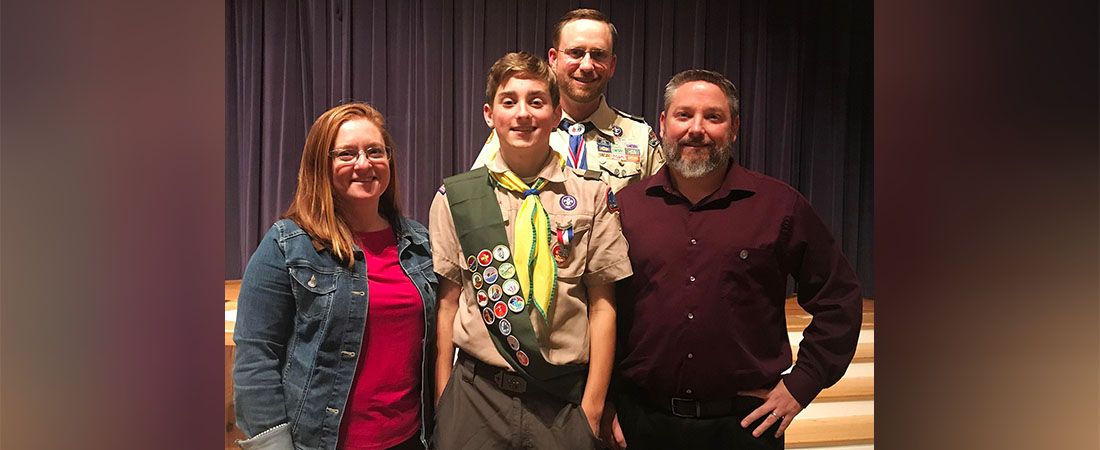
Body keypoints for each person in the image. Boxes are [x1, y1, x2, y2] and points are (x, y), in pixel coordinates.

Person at [604, 69, 863, 450]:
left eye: (713, 117)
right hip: (641, 424)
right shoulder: (625, 208)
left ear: (735, 127)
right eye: (683, 115)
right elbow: (603, 313)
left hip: (745, 429)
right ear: (662, 123)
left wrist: (801, 383)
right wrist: (605, 400)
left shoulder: (779, 206)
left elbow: (839, 299)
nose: (697, 129)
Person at [429, 52, 632, 449]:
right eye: (509, 101)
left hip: (562, 400)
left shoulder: (592, 198)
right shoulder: (457, 197)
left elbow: (603, 306)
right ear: (490, 114)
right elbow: (448, 305)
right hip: (476, 397)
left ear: (557, 114)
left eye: (536, 101)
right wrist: (443, 399)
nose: (523, 113)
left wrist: (592, 408)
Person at [232, 103, 438, 450]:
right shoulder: (286, 245)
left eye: (375, 151)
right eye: (346, 153)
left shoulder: (419, 243)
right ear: (322, 166)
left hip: (409, 441)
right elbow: (256, 360)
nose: (364, 164)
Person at [471, 8, 664, 192]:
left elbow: (660, 211)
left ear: (612, 65)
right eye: (576, 53)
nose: (587, 65)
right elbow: (478, 200)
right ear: (553, 59)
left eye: (598, 55)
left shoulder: (640, 138)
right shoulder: (519, 129)